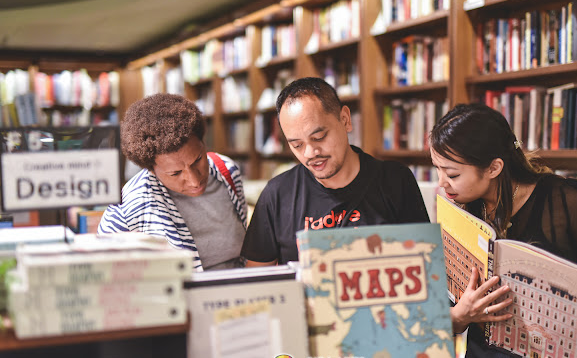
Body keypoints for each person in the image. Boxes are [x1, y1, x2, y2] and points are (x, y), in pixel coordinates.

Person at [429, 103, 577, 358]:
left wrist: (569, 341)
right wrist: (461, 313)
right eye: (438, 170)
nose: (442, 183)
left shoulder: (564, 199)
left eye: (452, 174)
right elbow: (448, 298)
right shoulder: (463, 210)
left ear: (494, 167)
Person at [241, 77, 429, 266]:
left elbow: (426, 263)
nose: (310, 153)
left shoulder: (395, 181)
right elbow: (257, 281)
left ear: (345, 120)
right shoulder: (277, 194)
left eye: (319, 137)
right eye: (297, 145)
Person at [98, 93, 247, 271]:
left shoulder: (227, 171)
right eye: (175, 173)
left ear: (204, 143)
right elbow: (104, 270)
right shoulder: (128, 206)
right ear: (151, 169)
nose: (194, 180)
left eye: (198, 160)